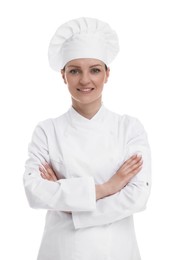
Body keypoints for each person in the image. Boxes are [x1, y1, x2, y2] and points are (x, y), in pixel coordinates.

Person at [23, 17, 151, 260]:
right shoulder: (47, 130)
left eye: (94, 70)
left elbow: (138, 196)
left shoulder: (129, 128)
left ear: (107, 74)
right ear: (63, 75)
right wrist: (108, 187)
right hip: (61, 251)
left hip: (117, 250)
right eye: (74, 71)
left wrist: (70, 207)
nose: (85, 80)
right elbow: (34, 192)